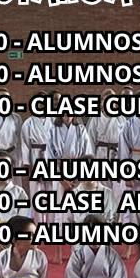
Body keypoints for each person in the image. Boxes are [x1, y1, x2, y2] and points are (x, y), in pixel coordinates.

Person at [45, 112, 94, 264]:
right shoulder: (53, 130)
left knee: (78, 214)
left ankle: (76, 251)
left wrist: (80, 177)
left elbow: (87, 154)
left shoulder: (80, 129)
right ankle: (58, 253)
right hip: (59, 173)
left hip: (78, 174)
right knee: (59, 215)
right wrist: (62, 179)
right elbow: (49, 157)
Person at [19, 90, 55, 225]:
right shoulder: (28, 123)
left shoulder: (54, 121)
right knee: (36, 193)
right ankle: (39, 223)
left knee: (51, 193)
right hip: (35, 158)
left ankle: (51, 224)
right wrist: (27, 164)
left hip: (50, 158)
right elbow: (25, 145)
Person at [87, 88, 127, 199]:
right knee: (101, 187)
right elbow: (90, 140)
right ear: (101, 103)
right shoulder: (95, 118)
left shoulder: (121, 118)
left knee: (118, 189)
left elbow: (125, 141)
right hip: (101, 155)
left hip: (117, 156)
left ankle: (116, 210)